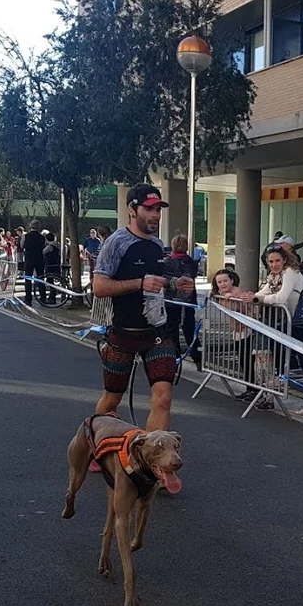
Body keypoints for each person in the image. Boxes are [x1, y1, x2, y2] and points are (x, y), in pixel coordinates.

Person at [91, 183, 195, 436]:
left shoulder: (158, 245)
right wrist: (139, 283)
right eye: (149, 209)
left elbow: (155, 281)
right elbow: (99, 287)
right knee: (112, 399)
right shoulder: (116, 242)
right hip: (123, 334)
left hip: (157, 334)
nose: (155, 215)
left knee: (163, 397)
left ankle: (152, 453)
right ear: (132, 210)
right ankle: (94, 443)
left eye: (158, 209)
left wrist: (174, 283)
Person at [241, 242, 303, 418]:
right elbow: (264, 292)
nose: (274, 264)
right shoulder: (274, 276)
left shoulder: (291, 272)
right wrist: (253, 296)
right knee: (286, 357)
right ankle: (280, 391)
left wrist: (257, 299)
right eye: (270, 261)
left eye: (277, 260)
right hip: (292, 323)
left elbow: (280, 298)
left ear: (285, 260)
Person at [211, 268, 259, 401]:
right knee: (243, 360)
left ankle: (254, 389)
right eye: (219, 282)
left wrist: (231, 300)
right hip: (237, 330)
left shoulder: (238, 292)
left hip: (247, 329)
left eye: (225, 280)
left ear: (232, 280)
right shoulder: (221, 293)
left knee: (247, 360)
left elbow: (244, 309)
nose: (223, 284)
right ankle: (249, 388)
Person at [163, 234, 201, 368]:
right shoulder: (191, 262)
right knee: (190, 329)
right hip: (188, 299)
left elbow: (165, 279)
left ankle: (175, 357)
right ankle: (197, 357)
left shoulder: (167, 262)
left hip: (171, 300)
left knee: (172, 329)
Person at [21, 221, 47, 306]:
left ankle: (28, 299)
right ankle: (43, 297)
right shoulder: (42, 237)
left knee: (28, 279)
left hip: (29, 259)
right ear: (39, 227)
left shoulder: (26, 236)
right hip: (39, 259)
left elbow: (22, 245)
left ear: (30, 226)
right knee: (41, 278)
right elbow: (44, 246)